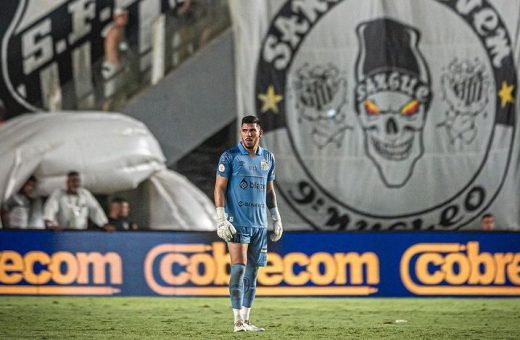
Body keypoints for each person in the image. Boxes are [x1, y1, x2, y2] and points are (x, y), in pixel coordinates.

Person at [214, 115, 283, 332]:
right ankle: (236, 321)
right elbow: (219, 188)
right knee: (238, 270)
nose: (248, 134)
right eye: (244, 130)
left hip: (259, 225)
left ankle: (246, 319)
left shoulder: (268, 158)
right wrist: (221, 218)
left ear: (260, 132)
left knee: (253, 274)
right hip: (237, 223)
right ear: (241, 133)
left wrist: (276, 217)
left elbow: (269, 191)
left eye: (252, 130)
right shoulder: (230, 156)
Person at [43, 171, 114, 231]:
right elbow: (50, 209)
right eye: (73, 181)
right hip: (63, 232)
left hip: (81, 232)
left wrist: (104, 224)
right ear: (67, 182)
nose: (76, 184)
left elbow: (95, 209)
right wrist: (51, 223)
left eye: (77, 181)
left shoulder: (85, 194)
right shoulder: (58, 194)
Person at [102, 7, 130, 111]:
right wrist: (119, 65)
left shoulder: (119, 31)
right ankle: (105, 116)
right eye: (123, 16)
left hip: (116, 65)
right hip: (112, 66)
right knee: (110, 96)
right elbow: (113, 52)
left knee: (119, 92)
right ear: (116, 18)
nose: (125, 18)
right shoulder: (114, 32)